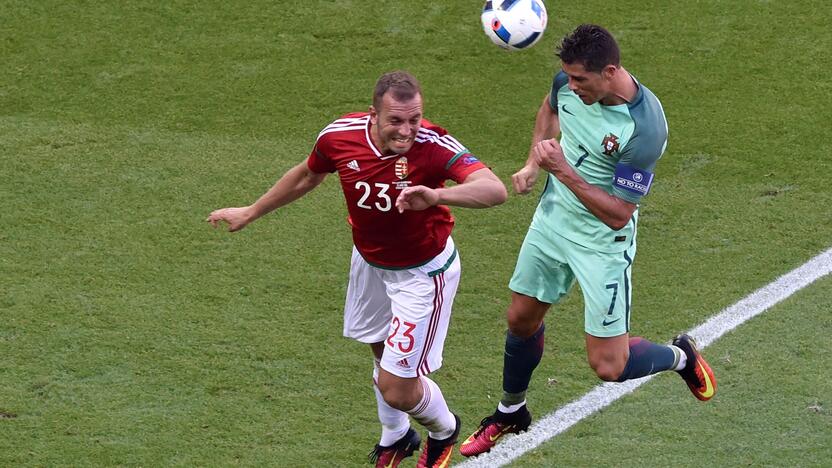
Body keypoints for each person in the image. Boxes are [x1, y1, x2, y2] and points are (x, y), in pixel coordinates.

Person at [207, 70, 507, 468]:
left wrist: (436, 194)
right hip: (369, 263)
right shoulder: (339, 136)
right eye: (396, 121)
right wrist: (252, 210)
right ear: (373, 115)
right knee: (378, 350)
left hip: (422, 274)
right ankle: (396, 436)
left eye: (415, 119)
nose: (407, 130)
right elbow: (307, 175)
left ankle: (444, 429)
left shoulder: (434, 145)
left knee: (398, 387)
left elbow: (494, 189)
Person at [459, 24, 717, 457]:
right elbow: (549, 109)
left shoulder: (644, 128)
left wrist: (560, 170)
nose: (571, 85)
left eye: (581, 80)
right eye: (568, 77)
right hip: (553, 222)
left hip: (601, 243)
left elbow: (618, 214)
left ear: (610, 71)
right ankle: (510, 411)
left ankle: (681, 357)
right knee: (520, 319)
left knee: (608, 367)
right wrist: (532, 163)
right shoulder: (567, 83)